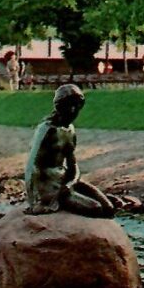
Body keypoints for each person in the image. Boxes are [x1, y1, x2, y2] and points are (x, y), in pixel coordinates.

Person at [24, 84, 124, 218]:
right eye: (68, 106)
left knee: (109, 208)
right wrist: (35, 201)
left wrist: (71, 183)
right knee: (96, 209)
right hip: (49, 188)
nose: (73, 110)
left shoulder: (70, 130)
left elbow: (73, 165)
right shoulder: (46, 130)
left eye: (76, 106)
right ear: (59, 107)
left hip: (65, 182)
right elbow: (31, 167)